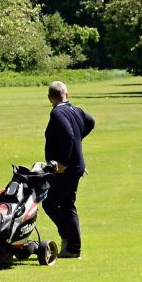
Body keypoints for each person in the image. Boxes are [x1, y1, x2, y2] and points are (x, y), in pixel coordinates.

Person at [43, 81, 95, 258]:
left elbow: (68, 134)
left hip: (66, 169)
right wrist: (78, 143)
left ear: (50, 97)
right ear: (67, 94)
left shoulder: (57, 113)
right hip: (76, 166)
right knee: (66, 204)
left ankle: (69, 239)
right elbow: (90, 122)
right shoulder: (76, 110)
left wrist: (63, 162)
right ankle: (73, 248)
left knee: (49, 202)